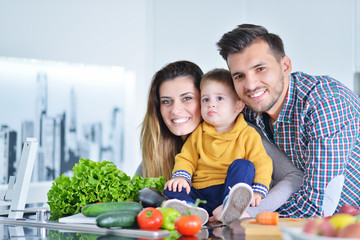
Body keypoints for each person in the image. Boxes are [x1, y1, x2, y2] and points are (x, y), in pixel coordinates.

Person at [216, 23, 360, 218]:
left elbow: (318, 204)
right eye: (240, 76)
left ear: (285, 66)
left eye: (260, 69)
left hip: (347, 224)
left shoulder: (325, 103)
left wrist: (252, 217)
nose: (250, 85)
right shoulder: (248, 110)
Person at [135, 60, 303, 220]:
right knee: (170, 192)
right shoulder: (157, 153)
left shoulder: (245, 133)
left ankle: (230, 203)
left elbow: (292, 176)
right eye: (166, 101)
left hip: (239, 218)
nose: (176, 110)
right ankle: (190, 210)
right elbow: (138, 200)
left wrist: (253, 210)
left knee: (243, 166)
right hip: (199, 217)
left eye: (187, 98)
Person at [163, 68, 273, 225]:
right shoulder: (199, 133)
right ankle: (191, 210)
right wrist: (181, 177)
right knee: (170, 187)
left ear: (238, 106)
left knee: (244, 165)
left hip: (229, 191)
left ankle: (231, 206)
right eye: (205, 100)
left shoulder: (248, 134)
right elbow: (186, 158)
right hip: (201, 192)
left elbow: (262, 162)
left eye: (219, 98)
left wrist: (258, 191)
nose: (211, 105)